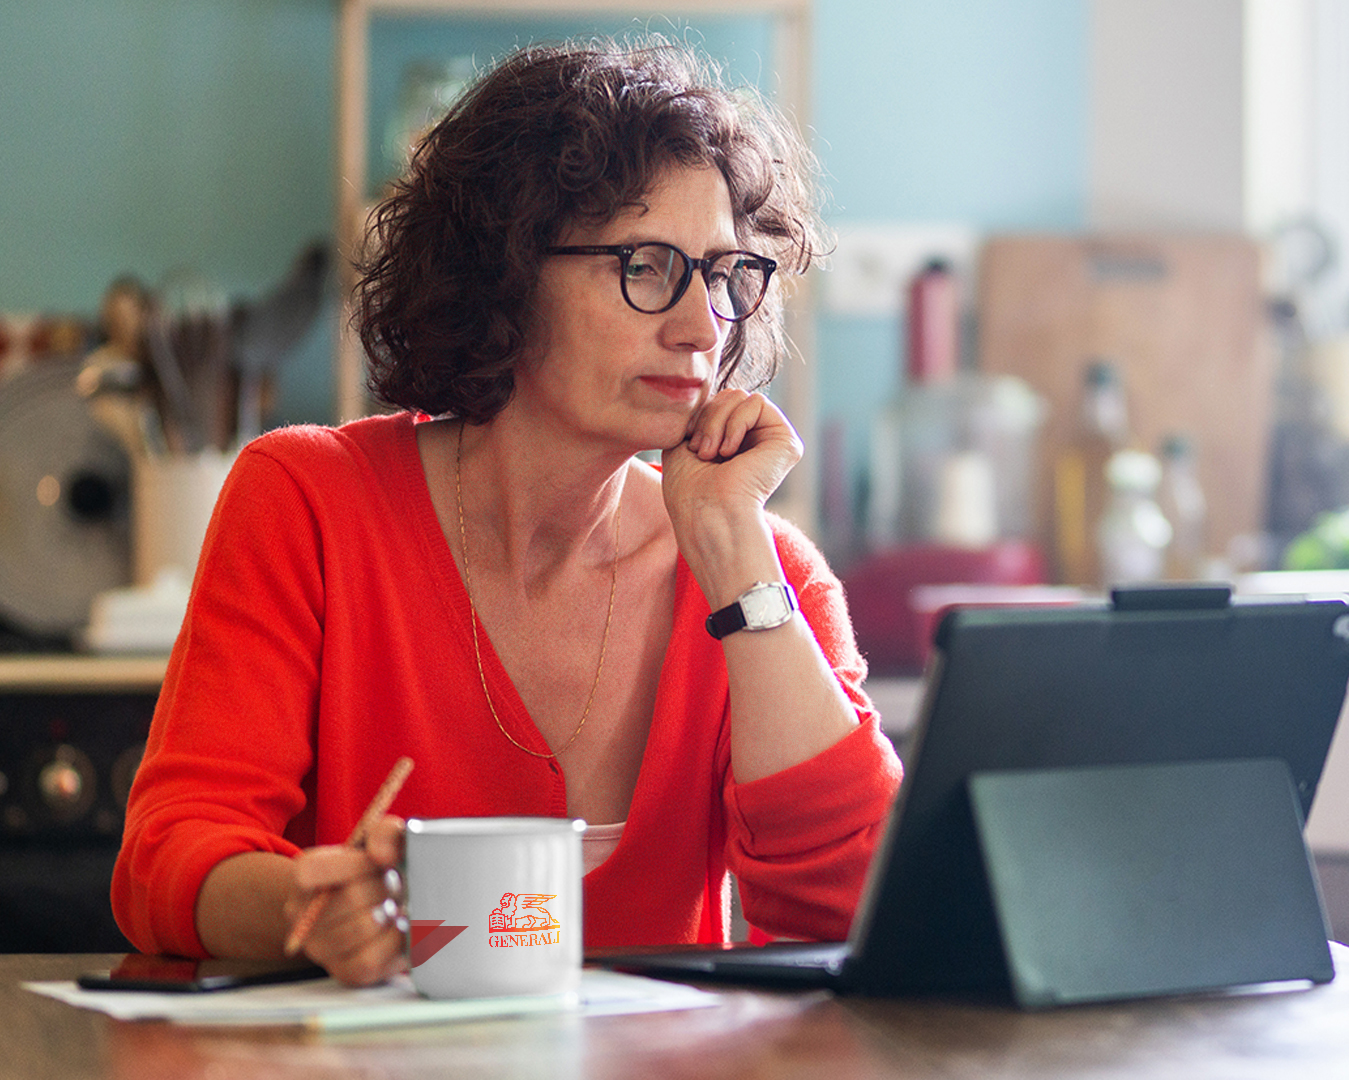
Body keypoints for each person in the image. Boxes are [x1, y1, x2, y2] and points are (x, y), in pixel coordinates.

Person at [112, 38, 902, 986]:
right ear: (506, 272)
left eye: (728, 274)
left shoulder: (763, 574)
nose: (703, 328)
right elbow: (169, 859)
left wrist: (736, 557)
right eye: (647, 265)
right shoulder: (309, 503)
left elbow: (864, 912)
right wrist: (305, 908)